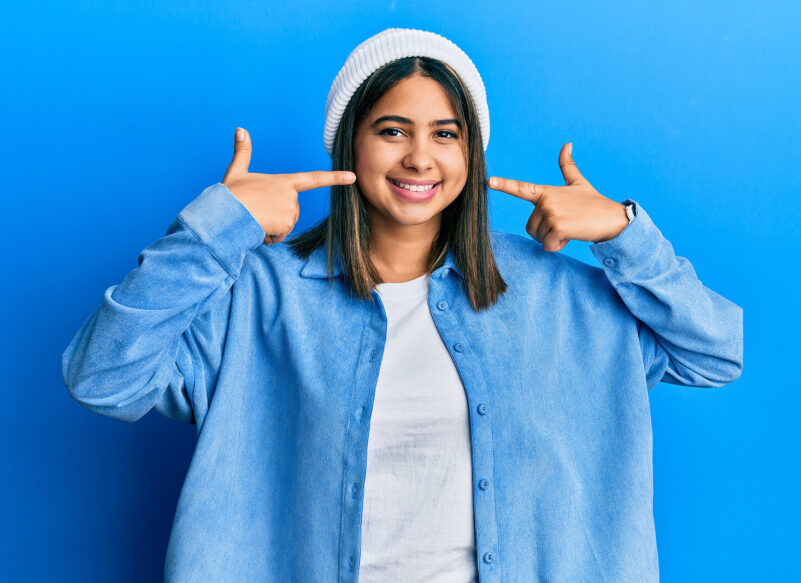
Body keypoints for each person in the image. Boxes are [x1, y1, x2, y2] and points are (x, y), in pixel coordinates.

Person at [61, 27, 743, 583]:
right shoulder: (258, 296)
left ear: (471, 153)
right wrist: (217, 227)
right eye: (392, 130)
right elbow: (102, 378)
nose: (420, 157)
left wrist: (626, 231)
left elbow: (714, 351)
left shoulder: (557, 294)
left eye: (445, 133)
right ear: (349, 141)